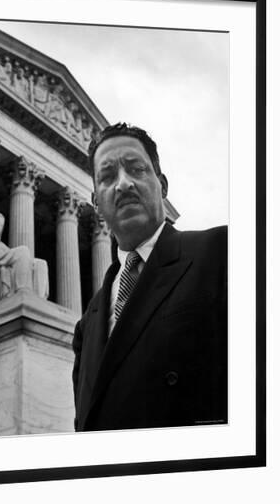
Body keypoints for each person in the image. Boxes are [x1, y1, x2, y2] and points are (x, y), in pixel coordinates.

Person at [72, 122, 227, 431]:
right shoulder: (87, 324)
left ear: (163, 185)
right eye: (107, 176)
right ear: (96, 204)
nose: (123, 184)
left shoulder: (222, 253)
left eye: (136, 169)